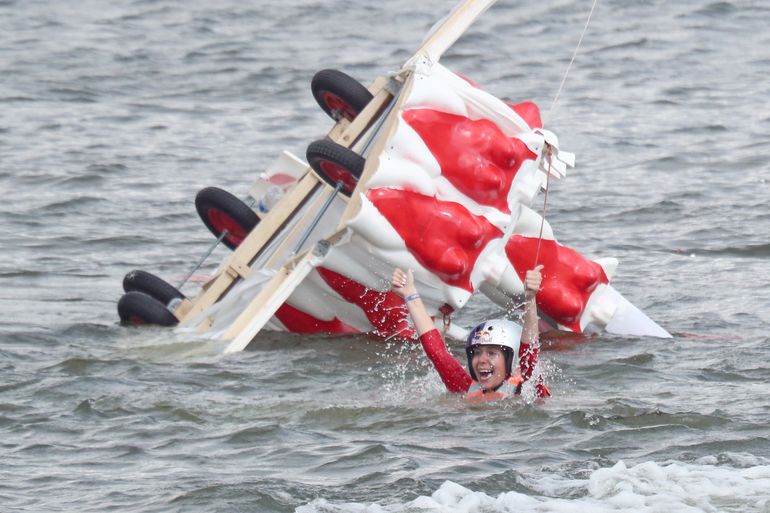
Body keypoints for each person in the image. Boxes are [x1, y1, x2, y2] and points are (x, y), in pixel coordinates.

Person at [391, 265, 550, 400]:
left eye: (492, 353)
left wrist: (530, 298)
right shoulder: (465, 388)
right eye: (476, 352)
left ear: (511, 359)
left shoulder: (529, 388)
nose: (481, 360)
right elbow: (437, 352)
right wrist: (410, 295)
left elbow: (529, 351)